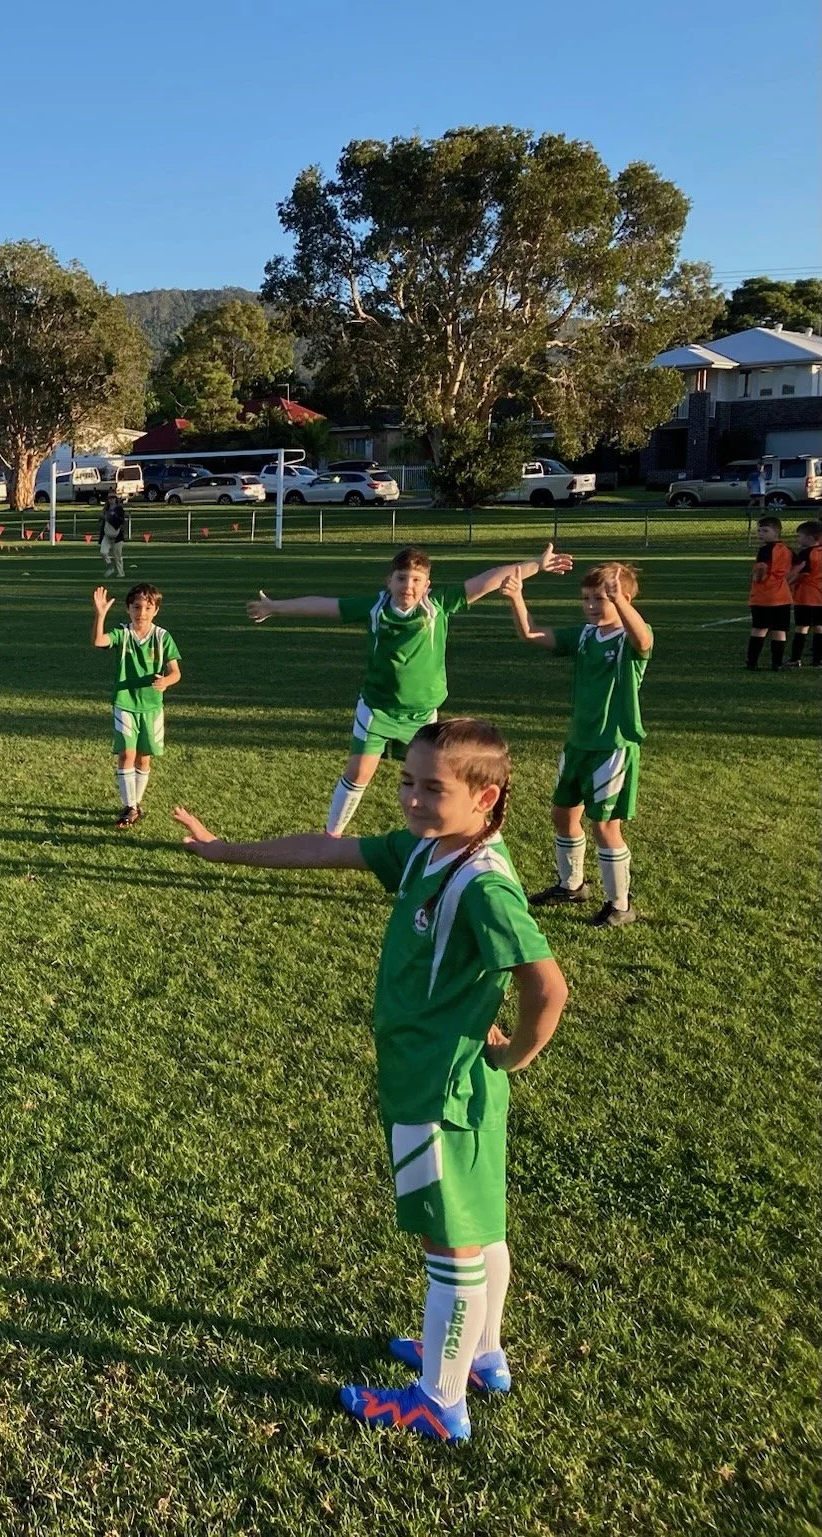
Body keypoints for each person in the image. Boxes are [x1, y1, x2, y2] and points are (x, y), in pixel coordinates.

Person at [174, 719, 568, 1444]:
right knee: (479, 1225)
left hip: (437, 1091)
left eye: (432, 787)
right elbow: (328, 847)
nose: (413, 798)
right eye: (407, 780)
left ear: (485, 797)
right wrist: (223, 849)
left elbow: (546, 984)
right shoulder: (432, 849)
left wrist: (516, 1052)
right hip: (453, 1085)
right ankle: (482, 1354)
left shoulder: (480, 885)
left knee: (446, 1242)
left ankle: (439, 1399)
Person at [247, 543, 574, 836]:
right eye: (402, 578)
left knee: (432, 777)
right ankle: (331, 836)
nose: (408, 585)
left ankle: (436, 832)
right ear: (389, 582)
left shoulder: (440, 605)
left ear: (427, 585)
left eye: (416, 579)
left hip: (422, 714)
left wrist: (535, 564)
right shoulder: (374, 608)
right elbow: (323, 605)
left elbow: (490, 578)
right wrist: (276, 607)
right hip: (378, 709)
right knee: (359, 771)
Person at [501, 564, 653, 928]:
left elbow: (644, 639)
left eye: (600, 598)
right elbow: (531, 634)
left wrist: (618, 600)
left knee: (604, 826)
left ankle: (620, 904)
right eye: (586, 599)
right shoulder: (586, 636)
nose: (591, 606)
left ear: (624, 598)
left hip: (612, 746)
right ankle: (571, 885)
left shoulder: (630, 638)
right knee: (563, 816)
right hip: (579, 742)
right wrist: (516, 598)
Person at [91, 583, 181, 827]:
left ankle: (135, 805)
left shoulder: (163, 637)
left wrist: (166, 682)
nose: (142, 612)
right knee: (126, 754)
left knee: (143, 758)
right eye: (136, 607)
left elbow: (176, 673)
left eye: (147, 607)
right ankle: (129, 806)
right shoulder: (124, 633)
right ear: (128, 610)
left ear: (156, 610)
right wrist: (100, 616)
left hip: (152, 707)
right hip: (125, 703)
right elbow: (99, 641)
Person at [747, 515, 793, 671]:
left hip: (763, 595)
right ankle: (777, 663)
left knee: (759, 628)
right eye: (759, 530)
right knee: (779, 630)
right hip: (782, 596)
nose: (760, 534)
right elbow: (799, 565)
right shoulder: (788, 550)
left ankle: (752, 662)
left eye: (765, 530)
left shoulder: (765, 550)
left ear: (776, 532)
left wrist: (756, 578)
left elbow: (761, 568)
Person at [790, 521, 822, 668]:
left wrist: (788, 583)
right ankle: (818, 659)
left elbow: (802, 573)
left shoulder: (806, 553)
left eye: (800, 536)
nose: (798, 539)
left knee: (802, 627)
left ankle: (795, 658)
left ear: (809, 538)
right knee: (819, 627)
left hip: (806, 595)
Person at [98, 493, 129, 578]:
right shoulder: (106, 509)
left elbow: (120, 521)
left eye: (113, 498)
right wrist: (101, 517)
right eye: (109, 498)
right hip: (107, 534)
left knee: (117, 556)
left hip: (117, 536)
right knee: (103, 551)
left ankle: (121, 573)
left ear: (116, 499)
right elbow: (101, 519)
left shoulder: (119, 509)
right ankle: (109, 566)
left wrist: (108, 517)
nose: (111, 500)